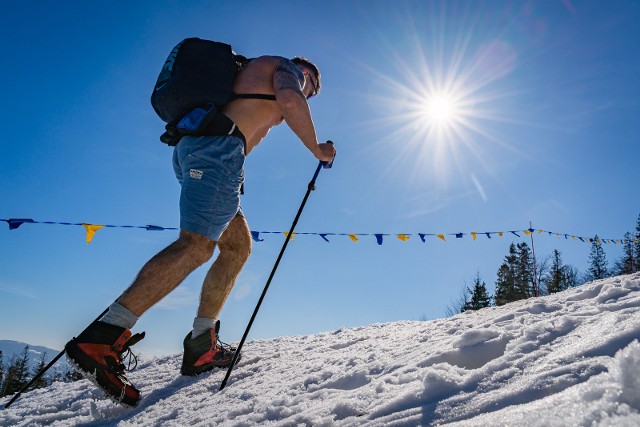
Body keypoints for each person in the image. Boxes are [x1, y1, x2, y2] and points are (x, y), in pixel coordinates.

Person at [65, 55, 336, 406]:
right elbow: (289, 97)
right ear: (307, 74)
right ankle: (103, 336)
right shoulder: (289, 70)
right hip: (218, 151)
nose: (309, 92)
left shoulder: (251, 73)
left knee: (237, 246)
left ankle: (200, 346)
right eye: (312, 87)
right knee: (196, 246)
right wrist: (317, 148)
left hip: (208, 152)